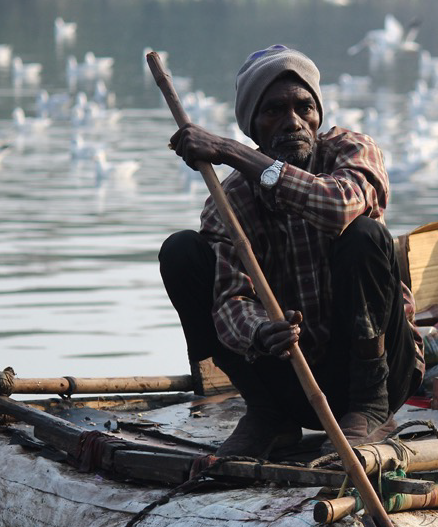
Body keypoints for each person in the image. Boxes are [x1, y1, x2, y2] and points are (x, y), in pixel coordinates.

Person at [159, 45, 423, 459]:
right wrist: (261, 332)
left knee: (365, 235)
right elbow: (230, 299)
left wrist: (229, 151)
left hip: (381, 372)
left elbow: (339, 207)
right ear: (254, 127)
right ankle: (267, 414)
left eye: (304, 108)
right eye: (274, 111)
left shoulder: (351, 151)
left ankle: (369, 409)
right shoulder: (231, 202)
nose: (293, 122)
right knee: (180, 252)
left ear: (318, 114)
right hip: (291, 378)